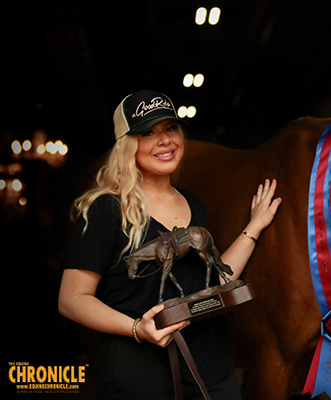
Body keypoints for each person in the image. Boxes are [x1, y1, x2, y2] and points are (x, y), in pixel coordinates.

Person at [58, 90, 281, 400]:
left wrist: (253, 227)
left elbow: (215, 280)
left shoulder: (193, 203)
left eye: (170, 128)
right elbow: (71, 299)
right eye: (148, 132)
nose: (164, 140)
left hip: (210, 370)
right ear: (127, 145)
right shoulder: (106, 210)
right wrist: (138, 328)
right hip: (139, 376)